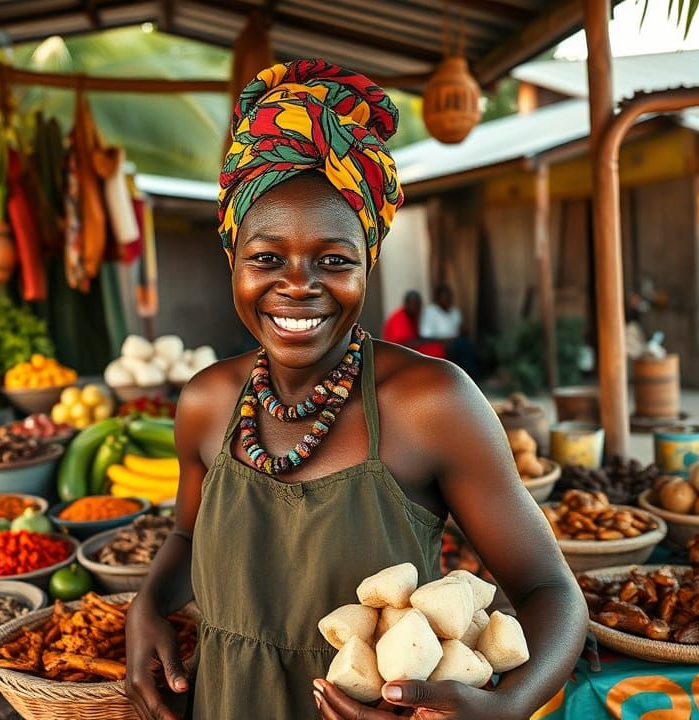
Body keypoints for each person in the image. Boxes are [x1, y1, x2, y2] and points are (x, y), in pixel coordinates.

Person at [126, 59, 586, 720]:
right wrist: (149, 604)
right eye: (265, 258)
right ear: (231, 257)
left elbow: (549, 589)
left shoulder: (431, 404)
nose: (298, 285)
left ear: (369, 259)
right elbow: (187, 538)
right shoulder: (205, 404)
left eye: (333, 260)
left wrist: (509, 705)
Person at [421, 284, 477, 375]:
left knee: (466, 346)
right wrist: (444, 341)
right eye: (444, 297)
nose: (447, 300)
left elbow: (459, 328)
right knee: (460, 348)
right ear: (437, 298)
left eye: (449, 297)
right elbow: (425, 336)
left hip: (456, 341)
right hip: (439, 343)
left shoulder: (455, 311)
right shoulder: (430, 312)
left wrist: (464, 330)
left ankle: (468, 376)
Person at [382, 290, 447, 359]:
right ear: (406, 304)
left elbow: (416, 337)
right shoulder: (399, 318)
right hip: (396, 354)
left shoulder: (413, 317)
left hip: (409, 351)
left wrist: (434, 340)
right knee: (435, 351)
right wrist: (425, 342)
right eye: (412, 304)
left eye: (418, 304)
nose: (415, 307)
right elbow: (403, 344)